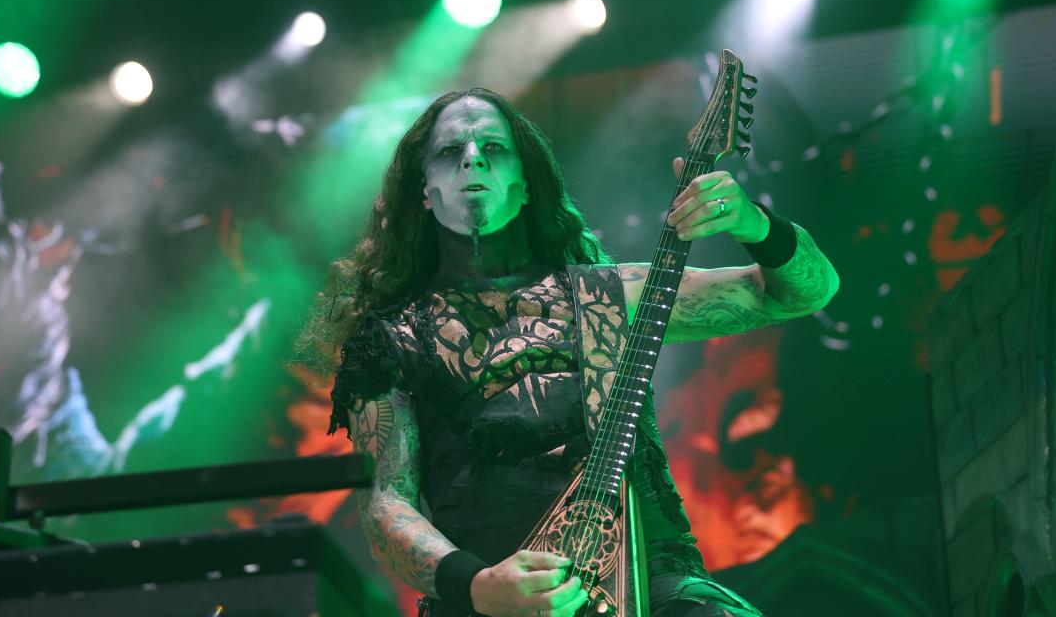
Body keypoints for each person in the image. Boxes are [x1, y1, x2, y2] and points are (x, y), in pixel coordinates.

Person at [305, 88, 840, 617]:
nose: (472, 158)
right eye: (450, 151)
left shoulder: (609, 295)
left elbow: (804, 293)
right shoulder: (391, 336)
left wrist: (756, 226)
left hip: (654, 586)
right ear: (424, 190)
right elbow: (387, 502)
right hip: (495, 599)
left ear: (527, 185)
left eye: (493, 148)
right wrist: (478, 586)